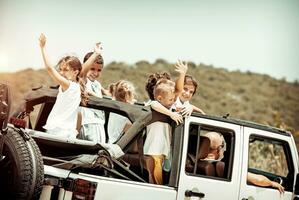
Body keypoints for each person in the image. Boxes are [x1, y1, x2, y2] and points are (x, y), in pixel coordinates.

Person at [39, 33, 87, 138]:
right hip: (66, 132)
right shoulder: (76, 87)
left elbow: (49, 69)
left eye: (65, 70)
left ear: (75, 72)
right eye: (60, 69)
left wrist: (42, 47)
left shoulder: (70, 86)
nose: (61, 73)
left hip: (59, 131)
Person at [204, 131, 284, 194]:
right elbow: (258, 180)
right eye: (223, 145)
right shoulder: (220, 166)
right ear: (219, 148)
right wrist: (272, 183)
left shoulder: (199, 163)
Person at [78, 45, 107, 143]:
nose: (95, 73)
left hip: (99, 123)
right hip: (88, 123)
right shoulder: (83, 81)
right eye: (92, 69)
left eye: (99, 70)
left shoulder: (98, 84)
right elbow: (82, 73)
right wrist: (96, 53)